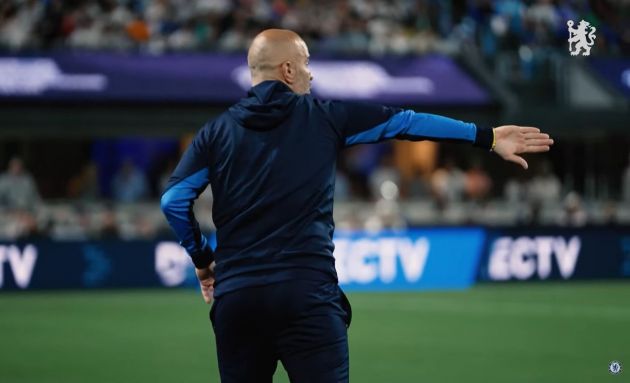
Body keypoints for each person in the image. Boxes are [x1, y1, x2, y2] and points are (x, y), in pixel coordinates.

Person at [160, 28, 554, 383]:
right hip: (306, 296)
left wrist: (201, 258)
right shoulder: (326, 117)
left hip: (238, 300)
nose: (311, 74)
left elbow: (174, 200)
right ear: (287, 70)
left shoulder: (215, 132)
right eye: (306, 63)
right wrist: (485, 137)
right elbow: (406, 122)